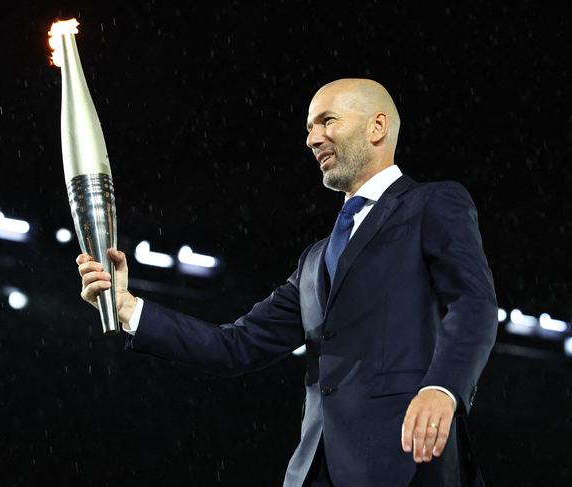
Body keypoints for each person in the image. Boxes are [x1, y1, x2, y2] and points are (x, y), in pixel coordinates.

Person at [77, 78, 497, 487]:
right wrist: (128, 306)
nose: (312, 139)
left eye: (327, 121)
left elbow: (473, 303)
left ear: (377, 126)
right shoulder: (314, 260)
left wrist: (443, 388)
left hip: (405, 461)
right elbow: (235, 347)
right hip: (312, 469)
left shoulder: (432, 203)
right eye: (309, 128)